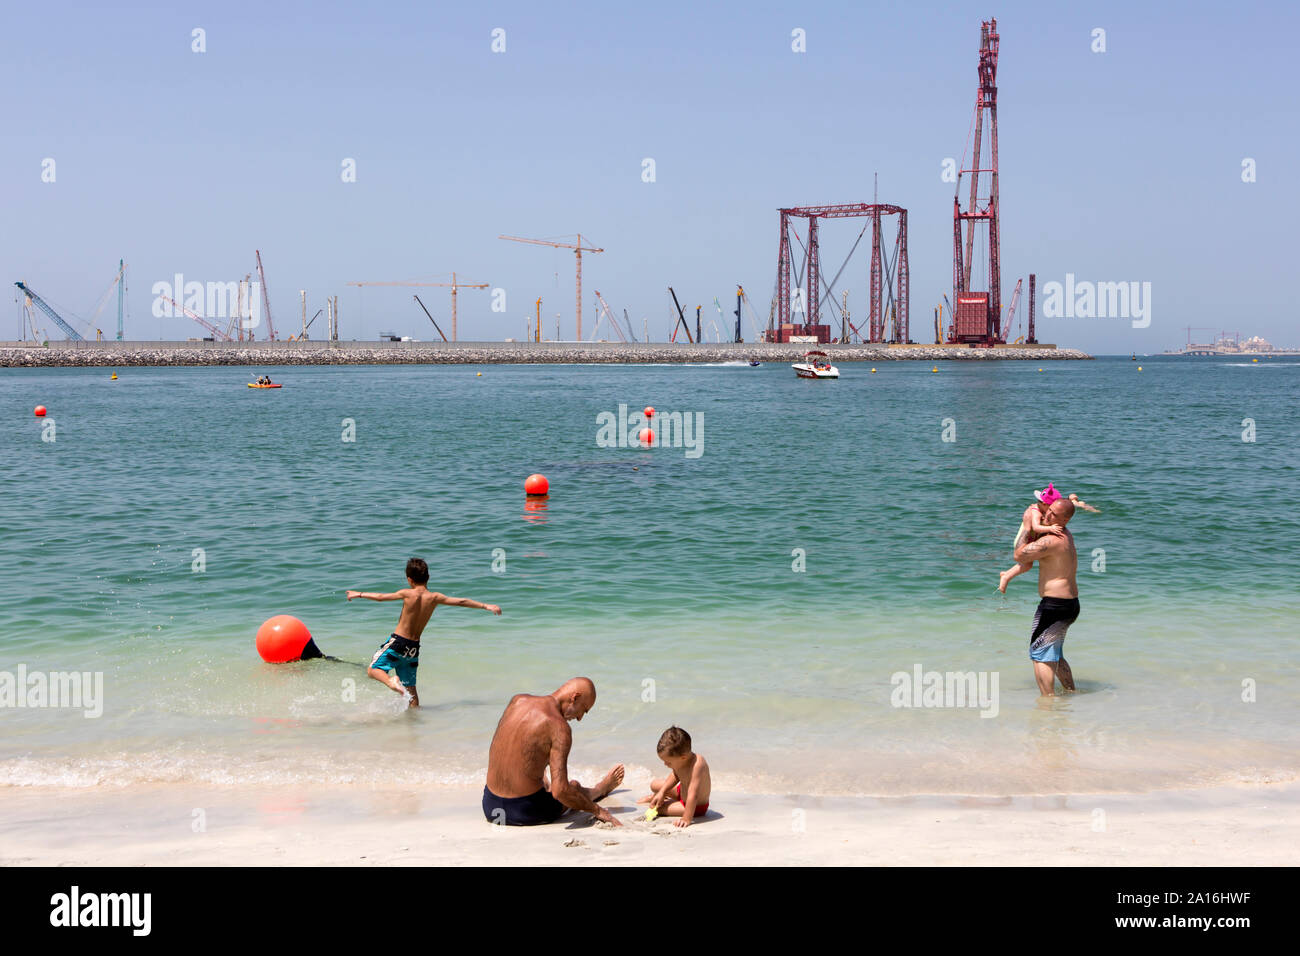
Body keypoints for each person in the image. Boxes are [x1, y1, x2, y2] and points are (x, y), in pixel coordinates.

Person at [346, 557, 500, 707]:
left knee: (373, 669)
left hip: (398, 643)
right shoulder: (434, 597)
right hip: (413, 649)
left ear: (409, 579)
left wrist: (359, 594)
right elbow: (461, 601)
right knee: (411, 691)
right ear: (428, 577)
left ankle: (390, 682)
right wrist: (486, 606)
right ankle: (414, 724)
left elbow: (380, 597)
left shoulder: (407, 593)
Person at [482, 677, 624, 826]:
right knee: (573, 787)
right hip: (523, 811)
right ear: (575, 698)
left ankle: (543, 785)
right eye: (584, 710)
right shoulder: (559, 727)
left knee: (537, 766)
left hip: (490, 805)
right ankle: (600, 789)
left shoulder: (517, 700)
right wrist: (598, 811)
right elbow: (560, 792)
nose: (580, 718)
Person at [1013, 498, 1080, 697]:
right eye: (1048, 510)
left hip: (1054, 606)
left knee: (1040, 655)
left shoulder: (1051, 540)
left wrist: (1027, 526)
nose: (1048, 516)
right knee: (1054, 653)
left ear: (1066, 519)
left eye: (1054, 515)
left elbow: (1019, 555)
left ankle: (1047, 702)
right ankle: (1071, 693)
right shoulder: (1065, 535)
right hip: (1070, 605)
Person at [998, 483, 1067, 593]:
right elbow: (1036, 527)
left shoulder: (1041, 509)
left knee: (1027, 565)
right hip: (1024, 540)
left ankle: (1006, 575)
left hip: (1032, 538)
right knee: (1027, 565)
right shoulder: (1035, 512)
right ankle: (1006, 577)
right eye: (1052, 508)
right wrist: (1050, 528)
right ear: (1045, 505)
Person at [637, 726, 712, 827]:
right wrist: (662, 792)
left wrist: (686, 818)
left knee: (658, 809)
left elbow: (693, 795)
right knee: (654, 785)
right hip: (681, 791)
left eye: (668, 762)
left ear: (683, 757)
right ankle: (657, 796)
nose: (665, 764)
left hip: (694, 806)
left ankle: (659, 799)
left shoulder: (698, 764)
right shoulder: (681, 761)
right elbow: (676, 775)